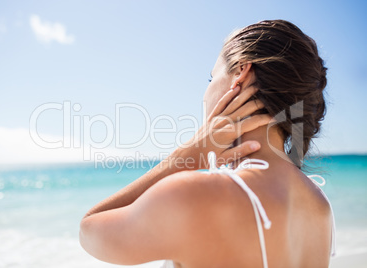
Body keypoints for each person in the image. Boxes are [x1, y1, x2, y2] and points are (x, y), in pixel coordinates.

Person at [79, 20, 335, 268]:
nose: (206, 91)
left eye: (210, 78)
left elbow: (88, 230)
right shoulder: (320, 207)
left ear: (240, 74)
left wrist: (186, 157)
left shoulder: (193, 196)